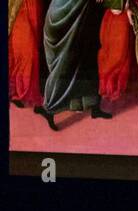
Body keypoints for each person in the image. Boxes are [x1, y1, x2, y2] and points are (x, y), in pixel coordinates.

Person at [36, 0, 113, 128]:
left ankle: (93, 104)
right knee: (65, 63)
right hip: (65, 15)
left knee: (86, 57)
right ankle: (49, 107)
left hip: (81, 12)